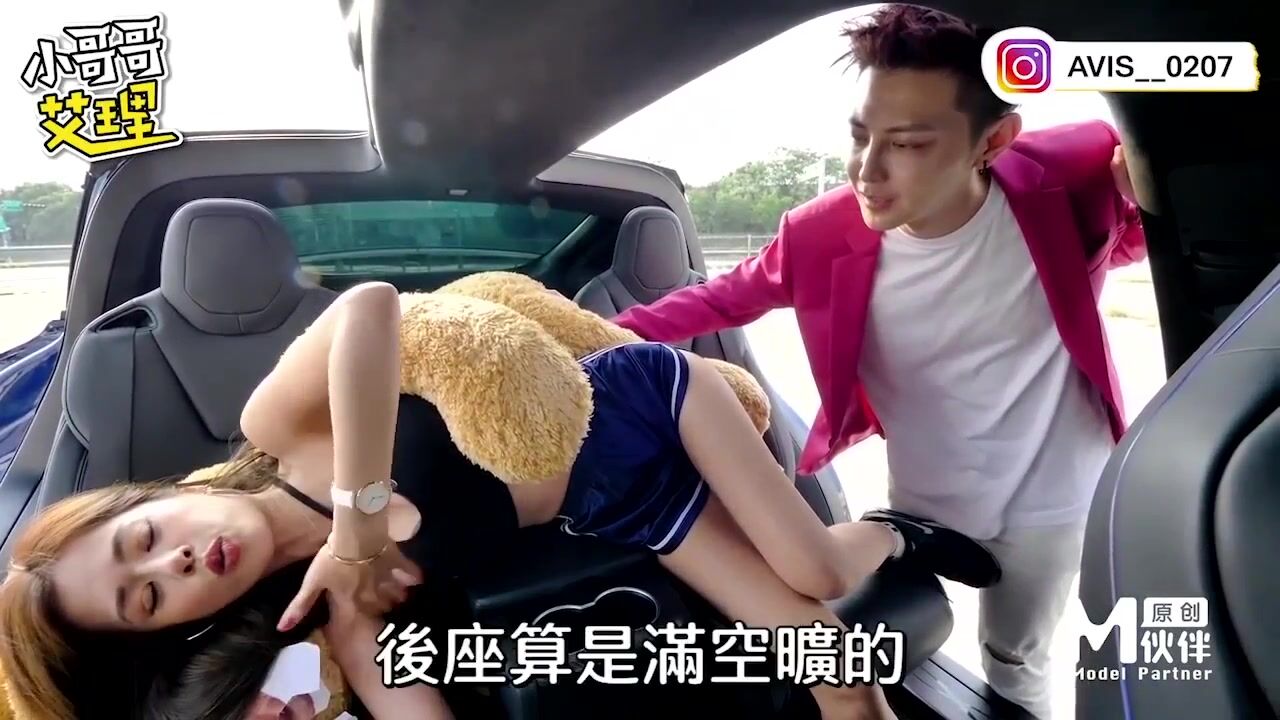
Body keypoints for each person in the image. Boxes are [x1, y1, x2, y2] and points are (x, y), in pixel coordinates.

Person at [0, 280, 1000, 720]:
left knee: (813, 569)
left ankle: (886, 533)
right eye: (147, 597)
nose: (171, 561)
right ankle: (887, 532)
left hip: (649, 403)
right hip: (628, 506)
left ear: (144, 500)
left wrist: (356, 521)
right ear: (177, 628)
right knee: (837, 675)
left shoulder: (279, 426)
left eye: (141, 538)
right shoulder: (340, 614)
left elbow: (370, 311)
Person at [610, 6, 1145, 719]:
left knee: (1017, 660)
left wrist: (1145, 196)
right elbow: (717, 300)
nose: (867, 170)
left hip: (1056, 487)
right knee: (838, 608)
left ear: (992, 141)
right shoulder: (819, 234)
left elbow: (1136, 240)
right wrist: (583, 337)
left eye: (908, 144)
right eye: (861, 135)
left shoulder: (1071, 173)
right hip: (920, 493)